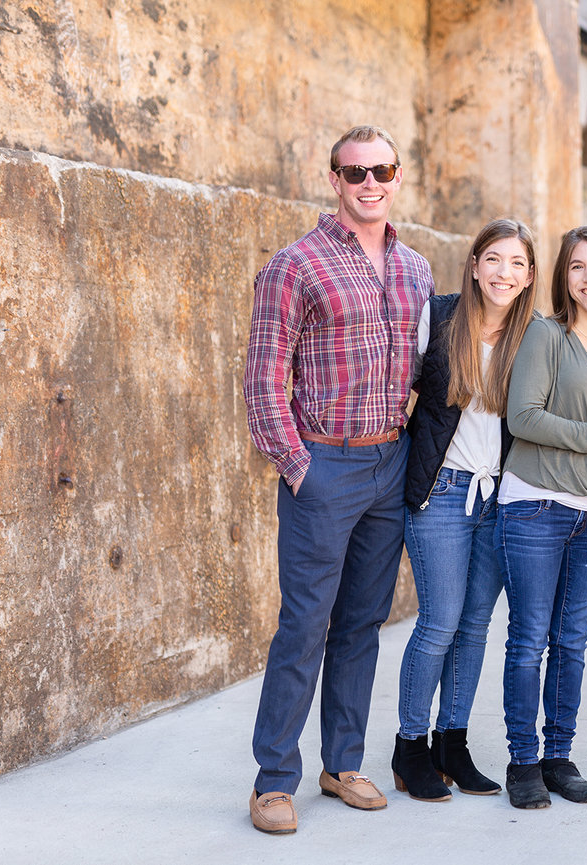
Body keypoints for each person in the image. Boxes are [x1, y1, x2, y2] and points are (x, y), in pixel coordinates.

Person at [242, 125, 432, 834]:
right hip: (325, 464)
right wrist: (299, 468)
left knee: (361, 623)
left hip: (390, 460)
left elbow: (424, 368)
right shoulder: (295, 265)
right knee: (304, 624)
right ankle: (273, 780)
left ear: (398, 175)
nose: (369, 183)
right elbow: (264, 379)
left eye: (381, 170)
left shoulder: (416, 269)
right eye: (355, 173)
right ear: (334, 180)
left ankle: (342, 763)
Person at [496, 225, 587, 810]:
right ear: (564, 277)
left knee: (572, 642)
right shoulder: (545, 334)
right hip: (535, 505)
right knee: (529, 639)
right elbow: (523, 418)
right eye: (578, 267)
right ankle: (523, 761)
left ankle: (558, 757)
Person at [391, 218, 539, 802]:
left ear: (529, 276)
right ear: (475, 265)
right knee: (440, 621)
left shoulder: (532, 336)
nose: (505, 272)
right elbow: (394, 389)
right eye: (494, 259)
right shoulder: (439, 318)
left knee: (475, 625)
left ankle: (452, 742)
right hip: (443, 492)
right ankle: (410, 745)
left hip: (502, 497)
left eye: (518, 263)